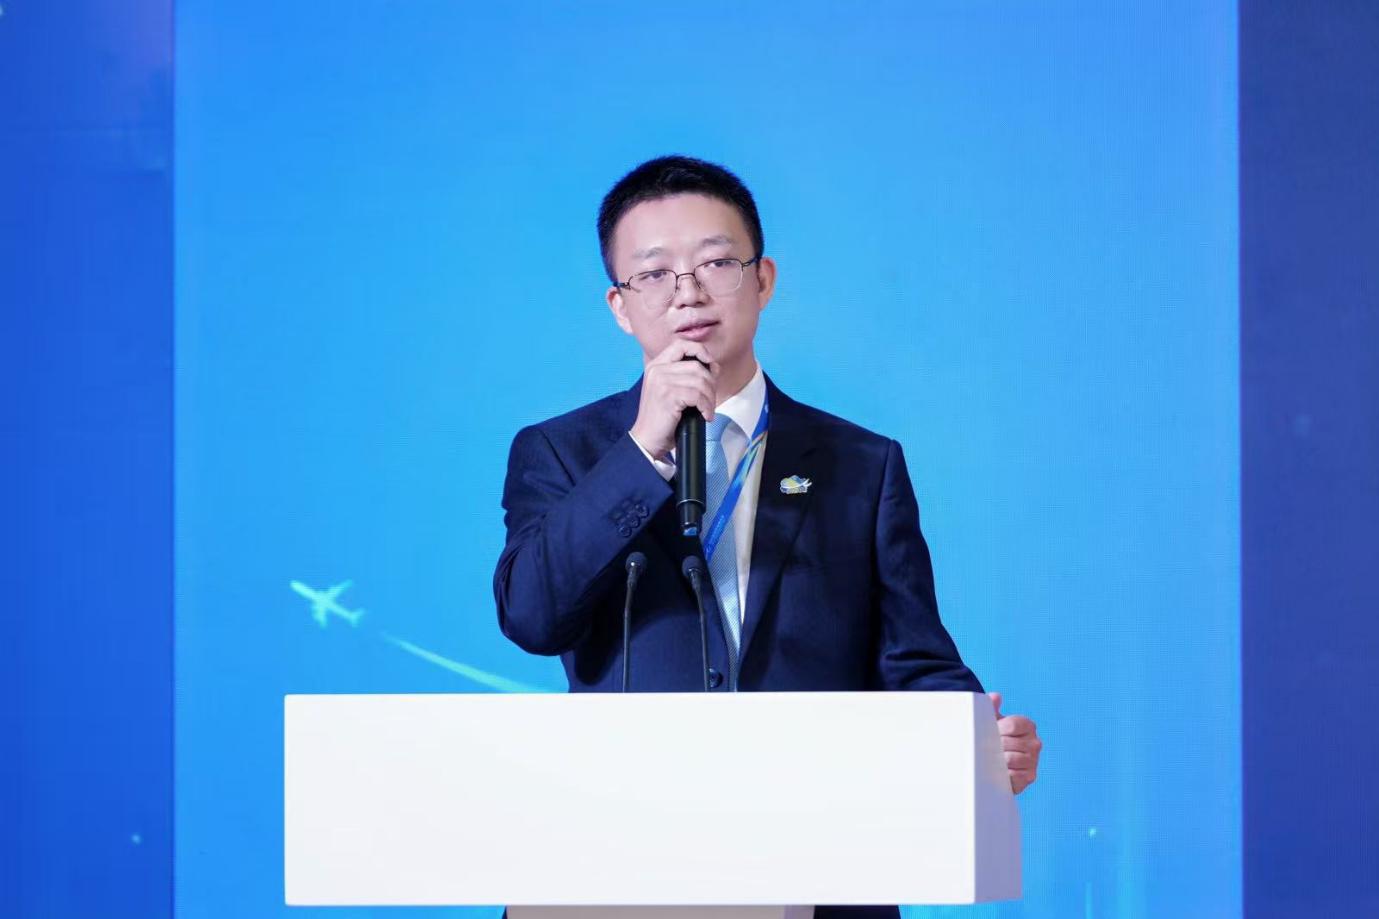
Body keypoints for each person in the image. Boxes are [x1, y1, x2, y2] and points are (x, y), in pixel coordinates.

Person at [493, 156, 1042, 919]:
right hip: (626, 859)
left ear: (763, 279)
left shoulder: (860, 461)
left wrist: (975, 741)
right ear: (620, 305)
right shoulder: (563, 452)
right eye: (654, 273)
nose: (687, 292)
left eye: (715, 262)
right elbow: (531, 614)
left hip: (817, 862)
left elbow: (911, 657)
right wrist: (642, 452)